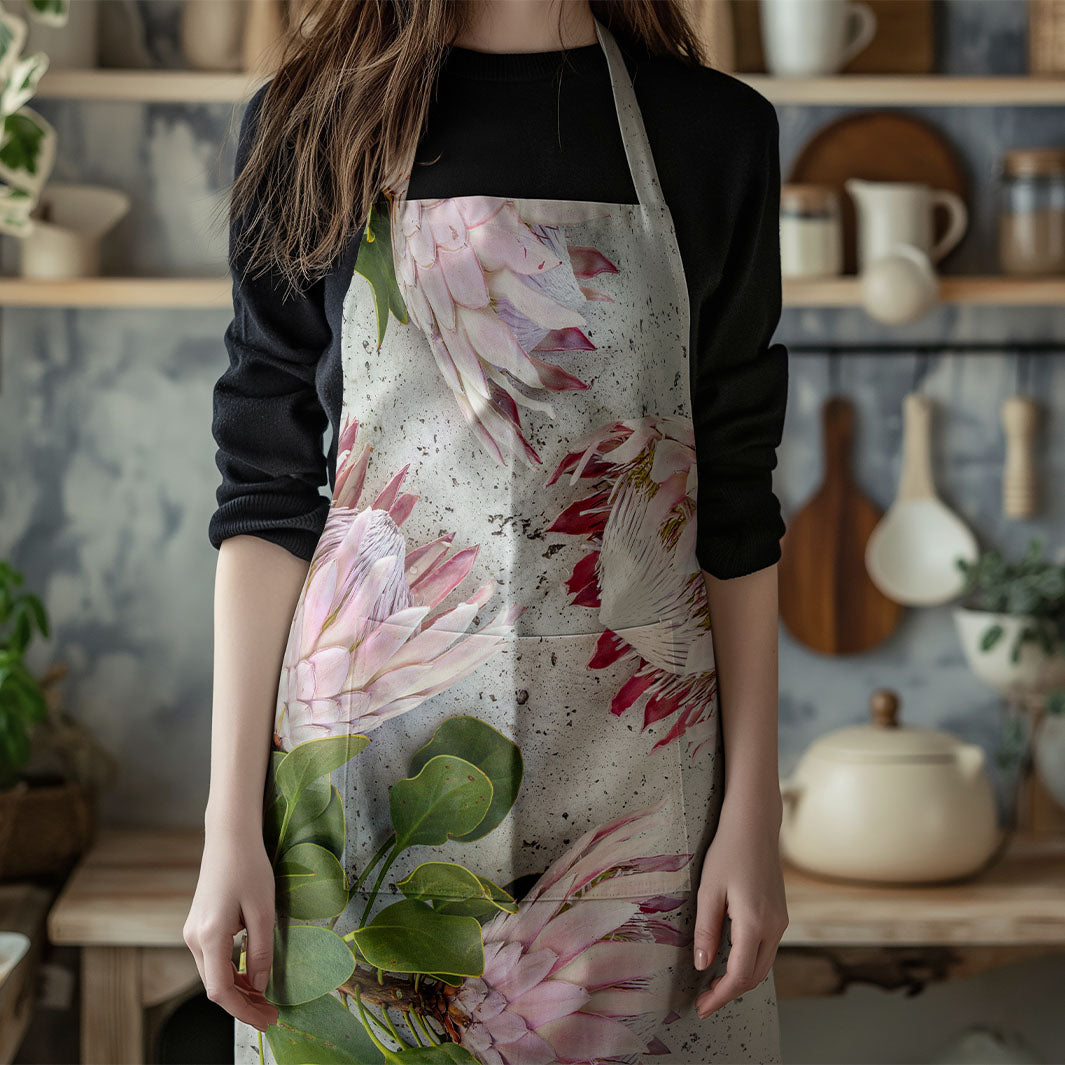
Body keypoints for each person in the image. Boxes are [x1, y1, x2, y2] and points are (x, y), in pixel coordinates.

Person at [184, 1, 791, 1062]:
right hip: (361, 788)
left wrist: (757, 810)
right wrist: (228, 823)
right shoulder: (311, 122)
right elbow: (267, 496)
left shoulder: (714, 132)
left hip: (642, 789)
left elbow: (735, 505)